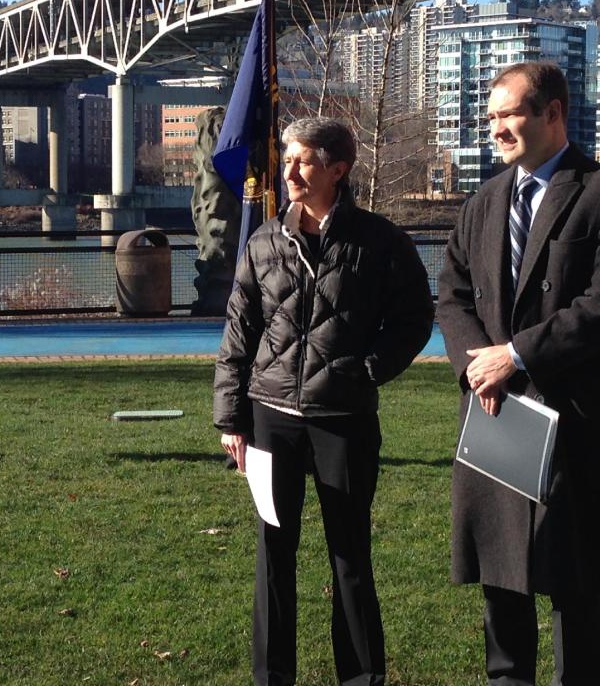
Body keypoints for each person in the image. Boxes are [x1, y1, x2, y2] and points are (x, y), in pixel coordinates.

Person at [214, 117, 434, 686]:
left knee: (350, 559)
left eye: (303, 160)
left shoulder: (379, 241)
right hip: (270, 420)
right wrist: (231, 419)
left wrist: (368, 369)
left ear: (338, 169)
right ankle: (272, 677)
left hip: (345, 421)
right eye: (287, 158)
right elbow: (239, 332)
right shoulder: (263, 240)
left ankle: (361, 678)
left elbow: (415, 318)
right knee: (273, 556)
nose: (288, 171)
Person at [437, 61, 600, 684]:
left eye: (508, 114)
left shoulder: (594, 192)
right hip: (496, 417)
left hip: (572, 423)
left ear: (553, 112)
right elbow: (450, 297)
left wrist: (519, 355)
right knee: (503, 585)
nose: (495, 128)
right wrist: (479, 364)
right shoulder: (483, 202)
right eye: (491, 117)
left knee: (576, 589)